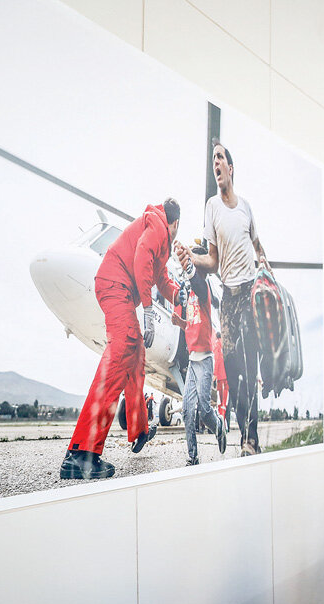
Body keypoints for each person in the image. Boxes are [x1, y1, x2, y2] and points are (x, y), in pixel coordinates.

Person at [60, 199, 185, 479]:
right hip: (115, 285)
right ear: (175, 223)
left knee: (136, 352)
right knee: (121, 351)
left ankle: (139, 430)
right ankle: (82, 452)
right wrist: (149, 309)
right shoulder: (157, 226)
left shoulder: (160, 243)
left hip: (120, 289)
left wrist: (179, 295)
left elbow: (162, 279)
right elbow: (141, 258)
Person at [181, 139, 271, 456]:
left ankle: (250, 439)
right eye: (213, 160)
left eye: (220, 157)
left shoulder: (245, 207)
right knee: (232, 373)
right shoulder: (212, 207)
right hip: (229, 300)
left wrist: (266, 266)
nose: (216, 162)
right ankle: (244, 432)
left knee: (249, 365)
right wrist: (191, 258)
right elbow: (212, 261)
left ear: (230, 168)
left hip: (250, 295)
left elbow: (258, 247)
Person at [179, 247, 228, 466]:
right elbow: (193, 324)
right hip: (192, 361)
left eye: (194, 263)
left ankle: (219, 427)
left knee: (205, 410)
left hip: (206, 360)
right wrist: (179, 323)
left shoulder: (203, 289)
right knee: (187, 410)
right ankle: (193, 457)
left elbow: (196, 281)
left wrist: (189, 263)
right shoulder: (190, 294)